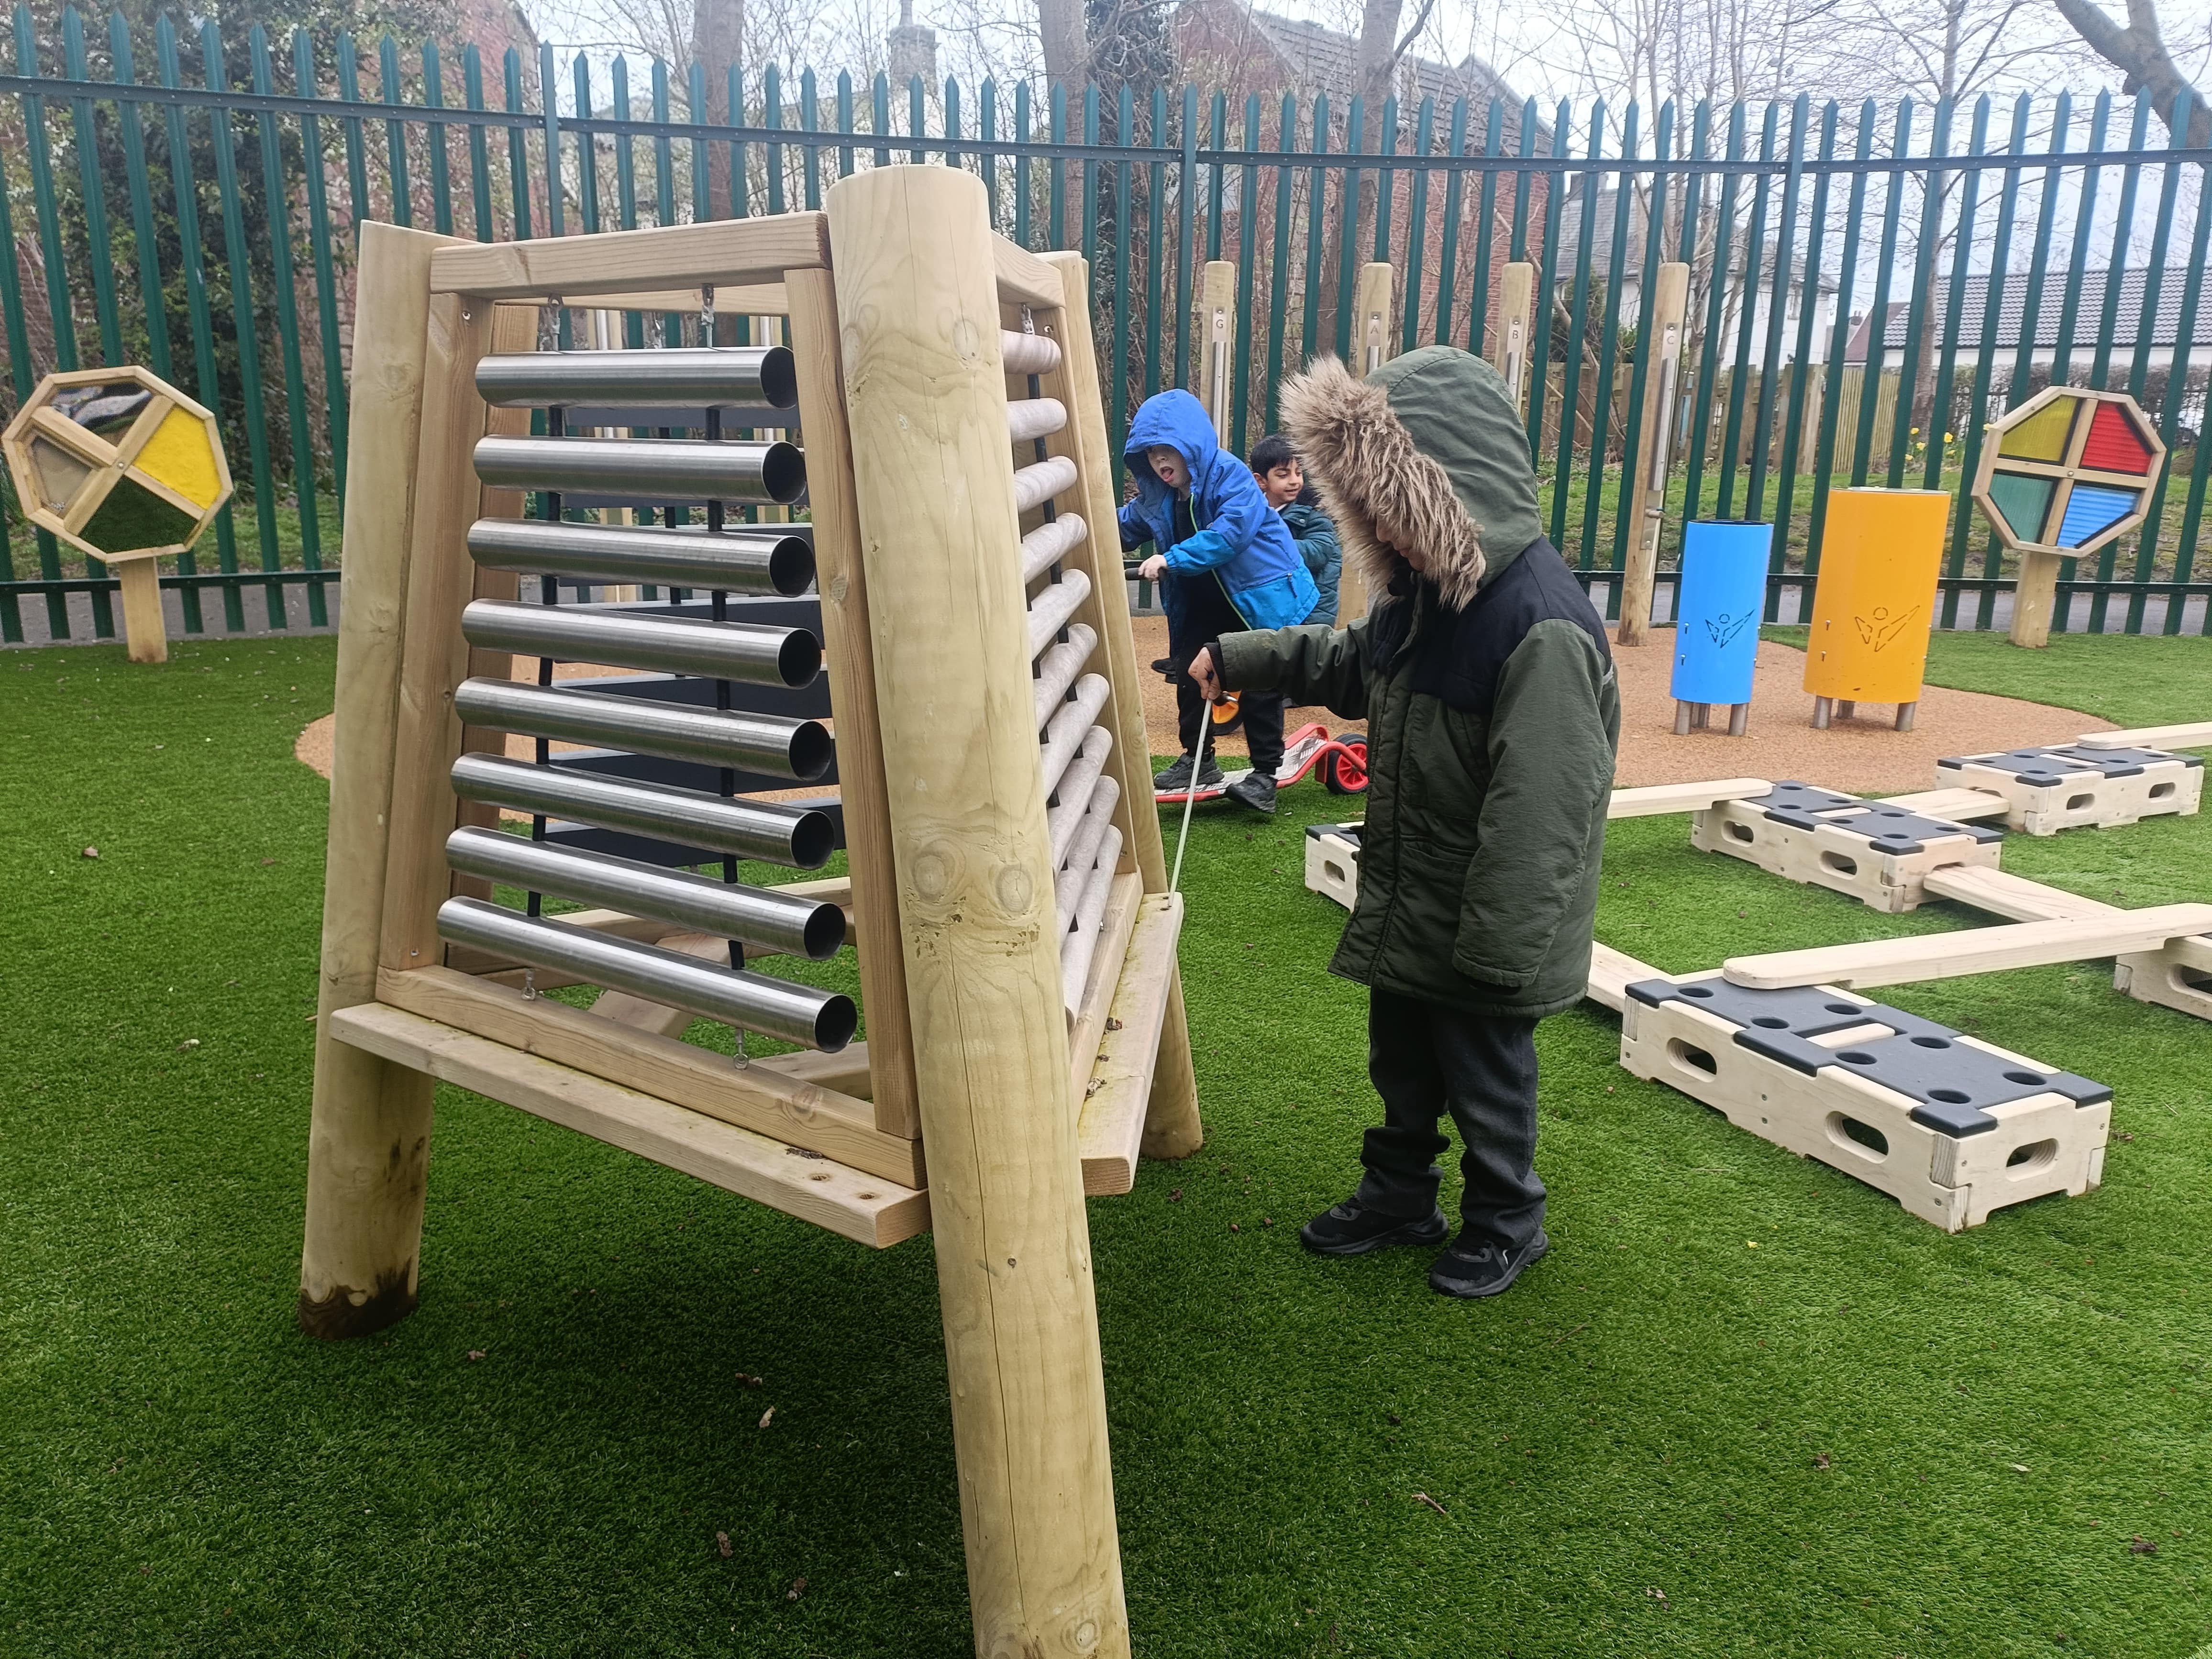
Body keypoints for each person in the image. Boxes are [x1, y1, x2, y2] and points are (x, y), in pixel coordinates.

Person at [1186, 347, 1620, 1299]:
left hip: (1481, 920)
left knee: (1485, 1074)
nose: (1375, 521)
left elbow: (1543, 810)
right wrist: (1243, 655)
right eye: (1364, 502)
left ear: (1447, 489)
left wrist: (1501, 953)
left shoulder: (1535, 625)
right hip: (1415, 898)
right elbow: (1352, 665)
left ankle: (1507, 1218)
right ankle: (1398, 1193)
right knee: (1401, 1060)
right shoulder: (1420, 599)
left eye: (1389, 498)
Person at [1118, 389, 1317, 813]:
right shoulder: (1159, 495)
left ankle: (1265, 773)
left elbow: (1231, 533)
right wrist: (1084, 521)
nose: (1160, 462)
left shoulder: (1231, 476)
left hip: (1253, 597)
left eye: (1167, 450)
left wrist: (1171, 558)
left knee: (1261, 678)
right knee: (1190, 675)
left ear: (1191, 444)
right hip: (1200, 600)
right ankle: (1198, 760)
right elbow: (1125, 524)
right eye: (1151, 455)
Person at [1250, 432, 1342, 625]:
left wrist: (1263, 545)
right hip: (1277, 612)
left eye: (1299, 473)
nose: (1294, 481)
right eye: (1283, 475)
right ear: (1260, 481)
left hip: (1310, 616)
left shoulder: (1314, 512)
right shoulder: (1252, 513)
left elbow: (1318, 552)